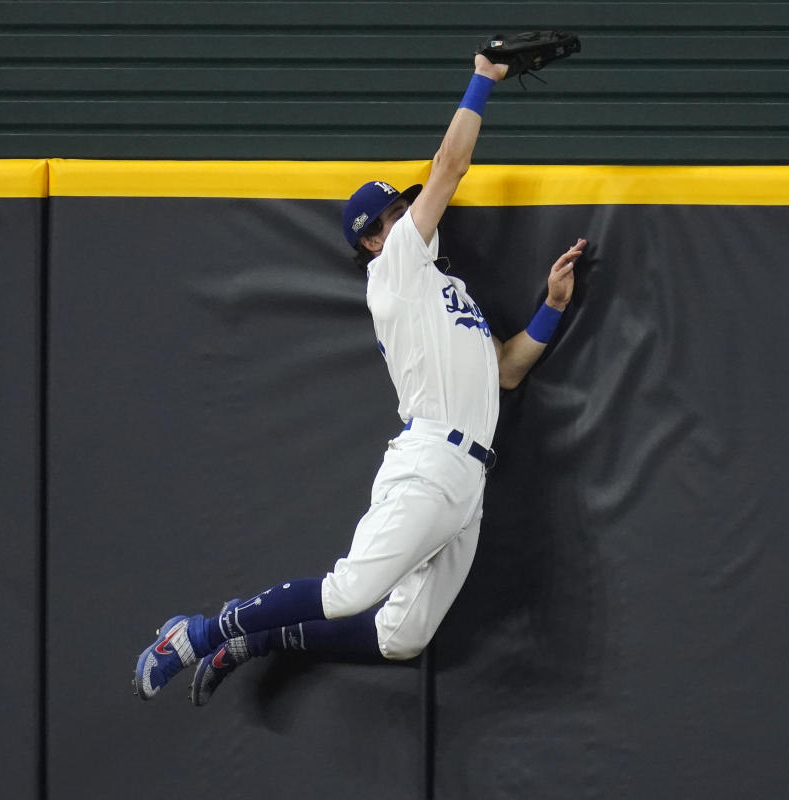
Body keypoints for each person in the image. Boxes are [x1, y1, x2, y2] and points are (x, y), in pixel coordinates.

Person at [135, 53, 586, 705]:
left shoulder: (443, 289)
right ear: (375, 242)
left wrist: (553, 306)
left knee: (402, 637)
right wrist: (484, 78)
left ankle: (256, 640)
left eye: (401, 210)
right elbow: (450, 167)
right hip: (432, 460)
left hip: (467, 479)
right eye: (389, 219)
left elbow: (507, 370)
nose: (403, 219)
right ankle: (198, 632)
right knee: (349, 592)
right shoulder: (395, 269)